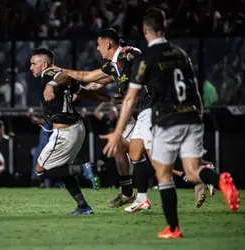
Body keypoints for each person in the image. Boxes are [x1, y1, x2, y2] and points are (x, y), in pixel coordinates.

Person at [101, 7, 240, 238]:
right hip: (192, 116)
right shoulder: (180, 53)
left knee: (163, 173)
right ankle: (220, 181)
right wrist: (198, 116)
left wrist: (117, 132)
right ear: (164, 28)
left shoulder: (146, 58)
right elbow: (194, 90)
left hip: (166, 117)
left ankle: (173, 228)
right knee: (193, 170)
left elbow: (130, 98)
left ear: (145, 31)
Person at [52, 28, 144, 208]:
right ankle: (127, 192)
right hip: (134, 112)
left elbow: (139, 55)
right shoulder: (114, 66)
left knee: (146, 153)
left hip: (146, 111)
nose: (97, 48)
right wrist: (77, 93)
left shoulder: (126, 56)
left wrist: (59, 69)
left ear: (108, 44)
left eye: (99, 44)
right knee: (120, 147)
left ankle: (197, 174)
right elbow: (93, 80)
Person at [30, 48, 114, 215]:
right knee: (62, 169)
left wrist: (51, 85)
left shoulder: (50, 74)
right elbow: (84, 92)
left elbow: (61, 77)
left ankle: (83, 169)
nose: (31, 67)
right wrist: (110, 99)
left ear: (44, 64)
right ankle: (83, 206)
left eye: (34, 64)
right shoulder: (58, 76)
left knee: (41, 170)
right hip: (76, 128)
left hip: (65, 132)